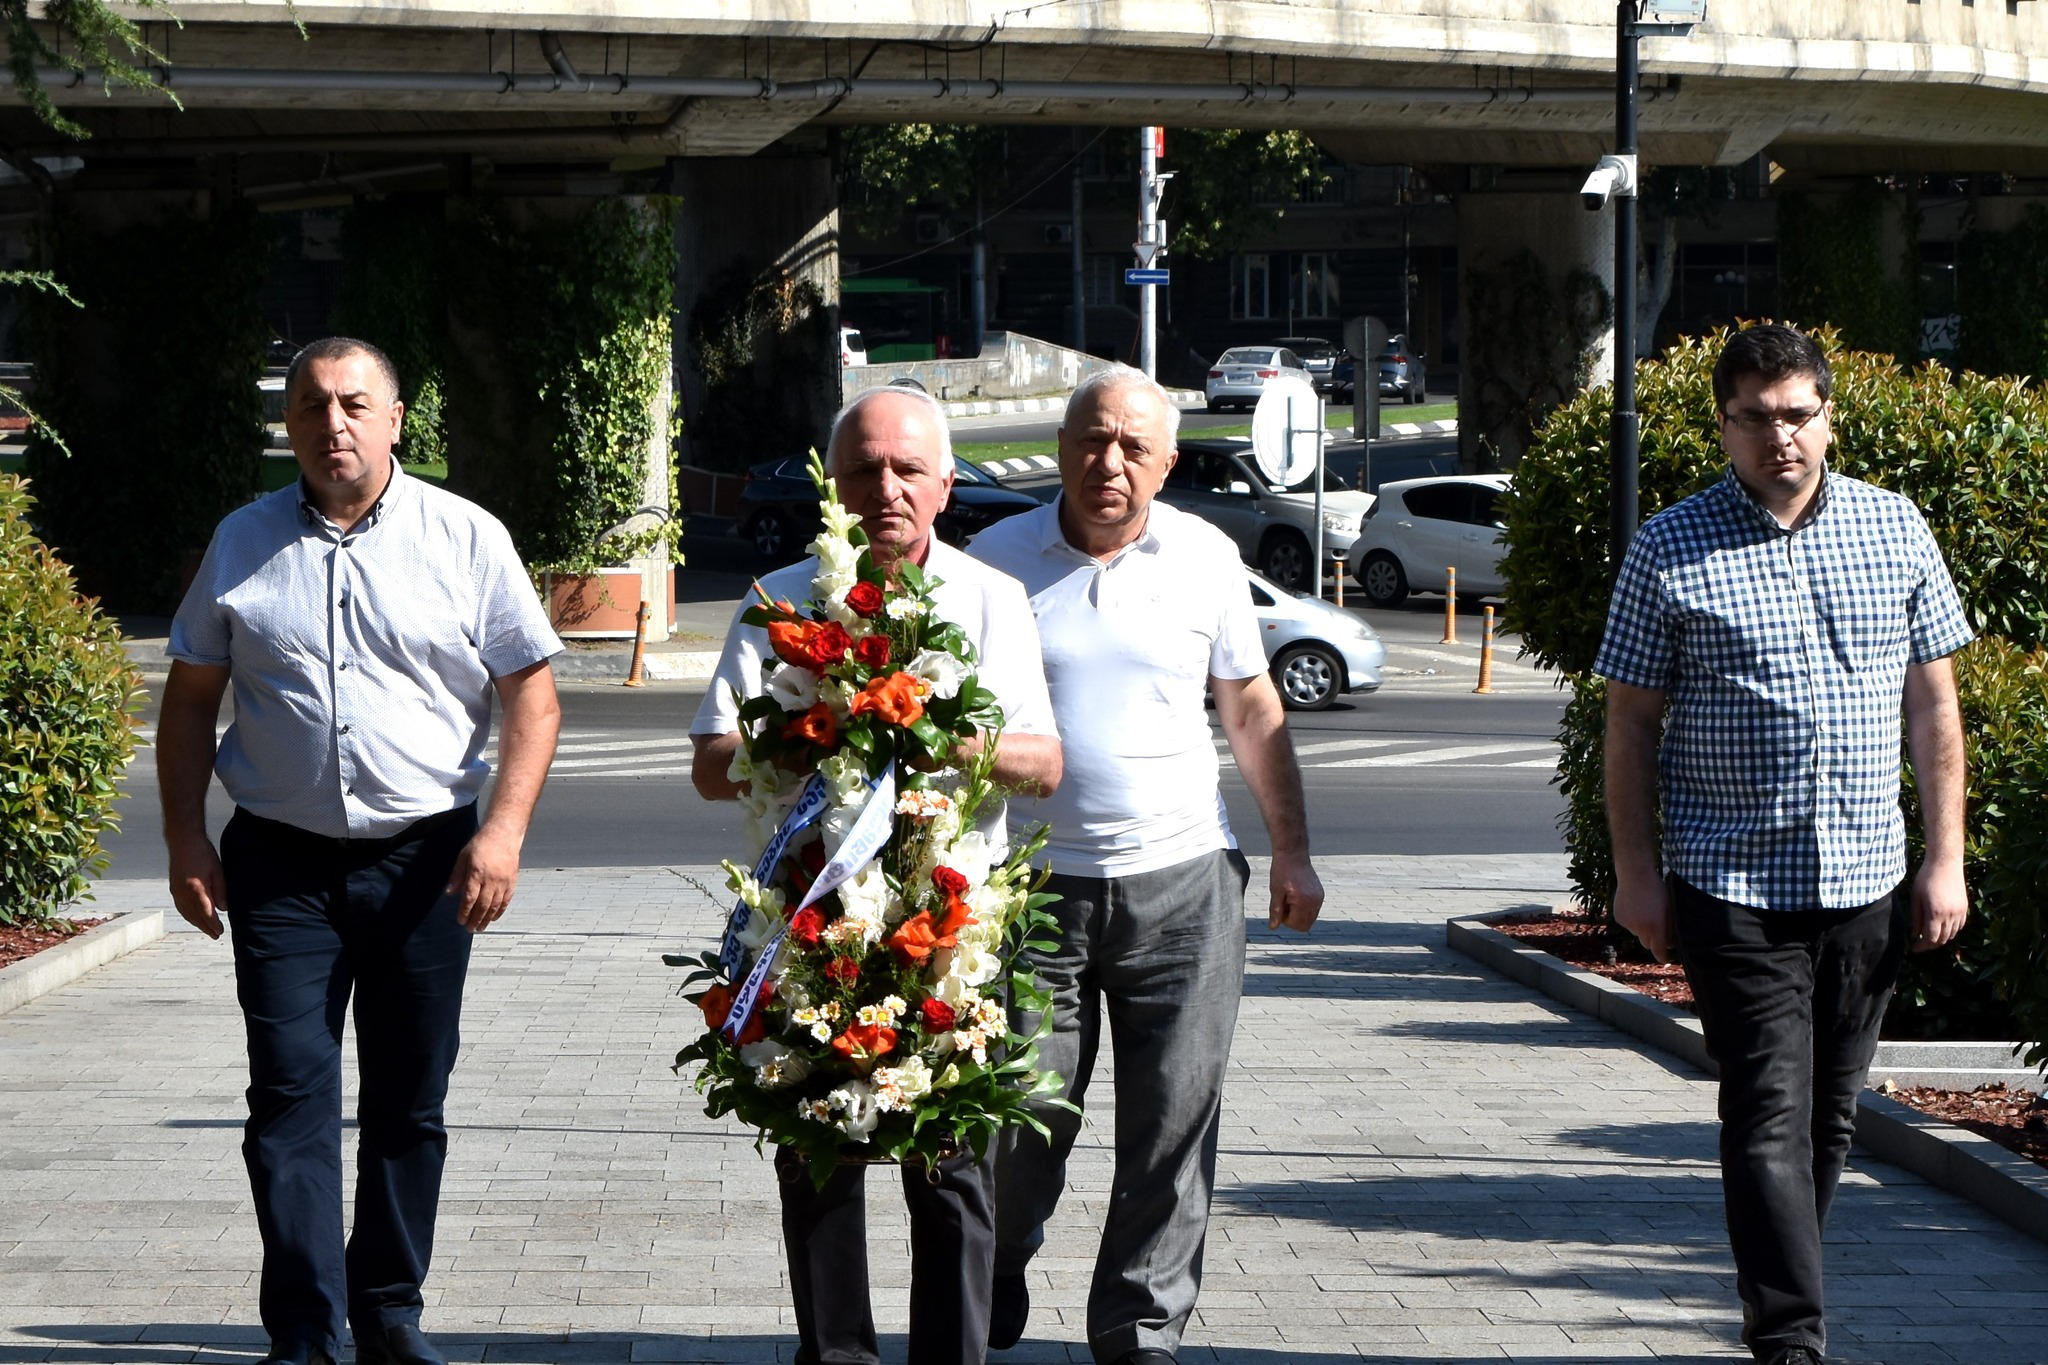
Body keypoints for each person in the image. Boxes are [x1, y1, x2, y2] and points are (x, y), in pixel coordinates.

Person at [158, 337, 564, 1365]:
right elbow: (191, 698)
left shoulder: (463, 538)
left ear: (393, 420)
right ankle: (305, 1330)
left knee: (407, 1097)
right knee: (289, 1093)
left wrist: (503, 834)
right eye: (308, 407)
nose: (330, 424)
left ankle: (388, 1310)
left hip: (427, 863)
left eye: (351, 403)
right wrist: (182, 840)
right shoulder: (242, 542)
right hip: (279, 865)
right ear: (287, 426)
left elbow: (531, 695)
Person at [1596, 324, 1971, 1365]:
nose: (1779, 438)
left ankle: (1778, 1289)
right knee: (1763, 1109)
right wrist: (1635, 875)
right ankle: (1789, 1340)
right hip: (1731, 879)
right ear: (1722, 427)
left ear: (1826, 418)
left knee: (1827, 1119)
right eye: (1755, 419)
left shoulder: (1894, 530)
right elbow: (1627, 725)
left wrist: (1943, 859)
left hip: (1864, 878)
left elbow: (1931, 709)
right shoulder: (1668, 545)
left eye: (1796, 414)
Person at [688, 384, 1062, 1365]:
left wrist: (922, 732)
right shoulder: (777, 598)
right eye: (864, 470)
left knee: (950, 1180)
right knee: (818, 1172)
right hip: (809, 932)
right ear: (832, 486)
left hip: (946, 942)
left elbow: (1042, 763)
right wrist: (813, 736)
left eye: (907, 471)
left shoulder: (992, 601)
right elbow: (707, 763)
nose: (886, 490)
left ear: (945, 485)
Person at [968, 364, 1325, 1365]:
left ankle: (1139, 1333)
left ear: (1165, 464)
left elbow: (1249, 708)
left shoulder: (1204, 559)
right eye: (1091, 438)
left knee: (1171, 1130)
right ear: (1062, 444)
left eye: (1133, 447)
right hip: (1029, 896)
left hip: (1183, 888)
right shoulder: (995, 563)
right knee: (1018, 1115)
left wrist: (1289, 850)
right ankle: (994, 1263)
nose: (1108, 462)